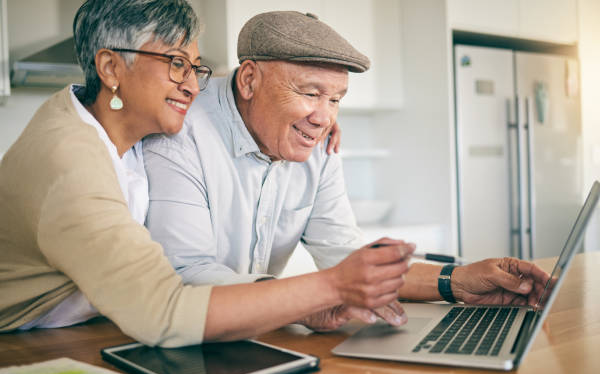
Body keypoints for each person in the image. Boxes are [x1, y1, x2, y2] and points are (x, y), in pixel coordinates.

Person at [0, 1, 398, 346]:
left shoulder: (126, 135)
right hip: (24, 345)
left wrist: (308, 111)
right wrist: (321, 292)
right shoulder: (71, 159)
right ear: (110, 67)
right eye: (176, 64)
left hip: (94, 329)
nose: (191, 85)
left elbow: (227, 99)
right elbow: (164, 309)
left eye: (194, 67)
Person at [143, 11, 550, 338]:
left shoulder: (316, 143)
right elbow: (186, 275)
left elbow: (343, 255)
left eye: (336, 99)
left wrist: (457, 282)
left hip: (254, 338)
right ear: (249, 79)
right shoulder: (182, 128)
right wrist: (307, 301)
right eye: (310, 93)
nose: (324, 118)